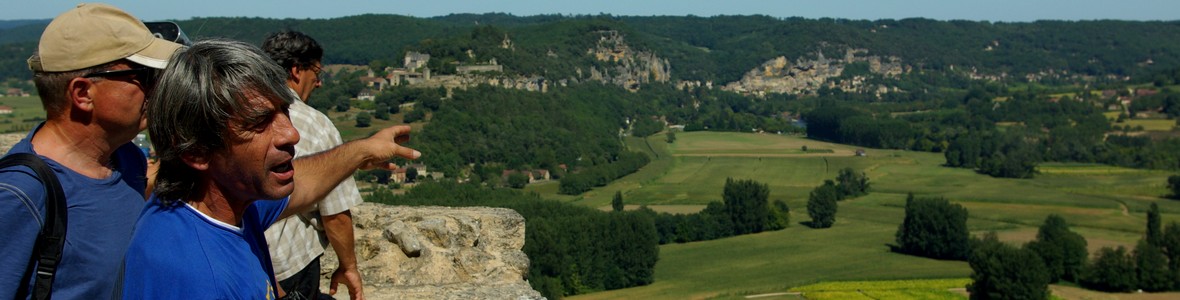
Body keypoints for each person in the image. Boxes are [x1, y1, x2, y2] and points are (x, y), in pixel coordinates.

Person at [119, 39, 420, 299]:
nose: (291, 134)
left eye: (284, 111)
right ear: (197, 149)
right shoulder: (201, 279)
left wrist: (363, 149)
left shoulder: (220, 200)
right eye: (258, 122)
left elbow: (305, 181)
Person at [0, 3, 182, 298]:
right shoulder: (18, 194)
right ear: (83, 93)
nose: (159, 88)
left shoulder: (127, 159)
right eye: (146, 76)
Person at [261, 30, 365, 300]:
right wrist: (349, 266)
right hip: (289, 263)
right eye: (316, 73)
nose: (318, 83)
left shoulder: (239, 111)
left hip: (243, 255)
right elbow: (336, 214)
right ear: (296, 70)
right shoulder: (316, 124)